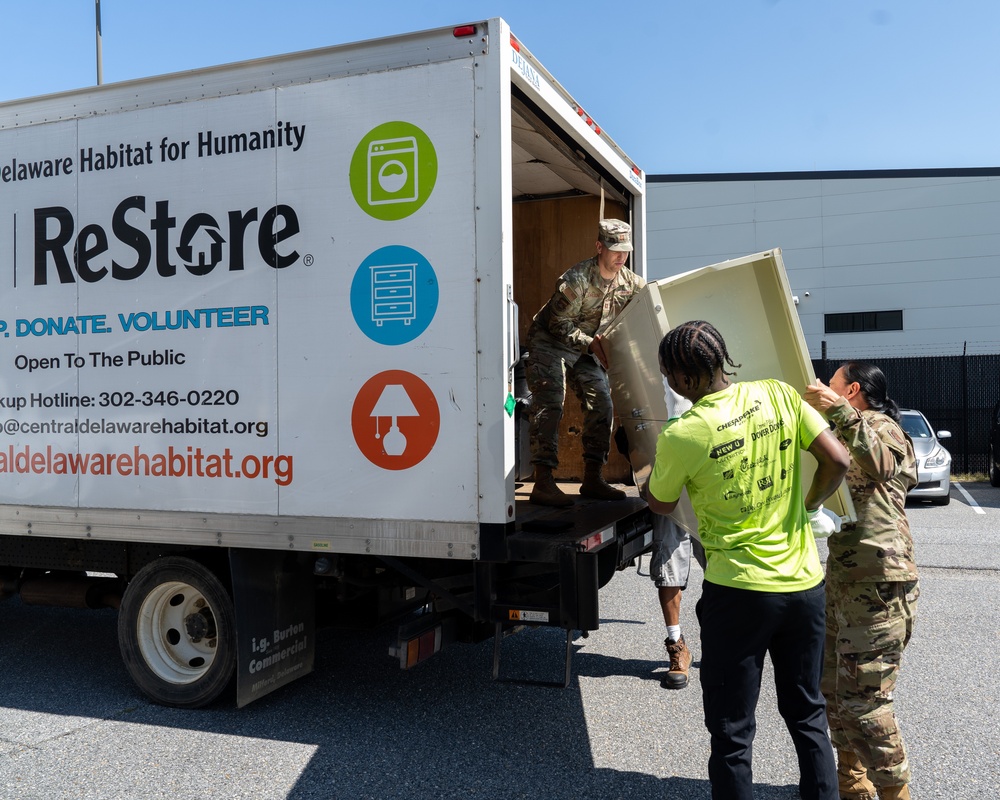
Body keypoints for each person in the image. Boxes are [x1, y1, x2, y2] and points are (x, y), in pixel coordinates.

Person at [643, 320, 850, 800]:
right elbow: (836, 460)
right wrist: (810, 506)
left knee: (733, 729)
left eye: (669, 375)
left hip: (738, 593)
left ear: (688, 378)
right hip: (803, 585)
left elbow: (660, 502)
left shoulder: (685, 433)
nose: (670, 383)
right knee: (808, 713)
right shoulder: (777, 395)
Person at [804, 363, 919, 800]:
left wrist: (842, 414)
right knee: (833, 690)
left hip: (880, 582)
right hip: (844, 581)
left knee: (867, 702)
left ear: (851, 390)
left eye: (830, 383)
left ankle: (895, 794)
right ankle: (853, 783)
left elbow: (885, 465)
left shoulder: (881, 425)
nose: (820, 387)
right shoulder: (839, 428)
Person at [525, 218, 645, 506]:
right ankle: (542, 482)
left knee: (602, 403)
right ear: (599, 247)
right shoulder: (576, 279)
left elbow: (647, 311)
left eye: (625, 250)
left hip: (587, 348)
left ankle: (593, 479)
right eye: (615, 249)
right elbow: (557, 324)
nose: (621, 257)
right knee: (551, 402)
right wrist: (591, 343)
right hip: (551, 342)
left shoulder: (631, 283)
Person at [648, 514, 705, 689]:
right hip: (673, 495)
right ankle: (676, 645)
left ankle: (720, 645)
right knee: (668, 568)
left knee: (721, 566)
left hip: (712, 490)